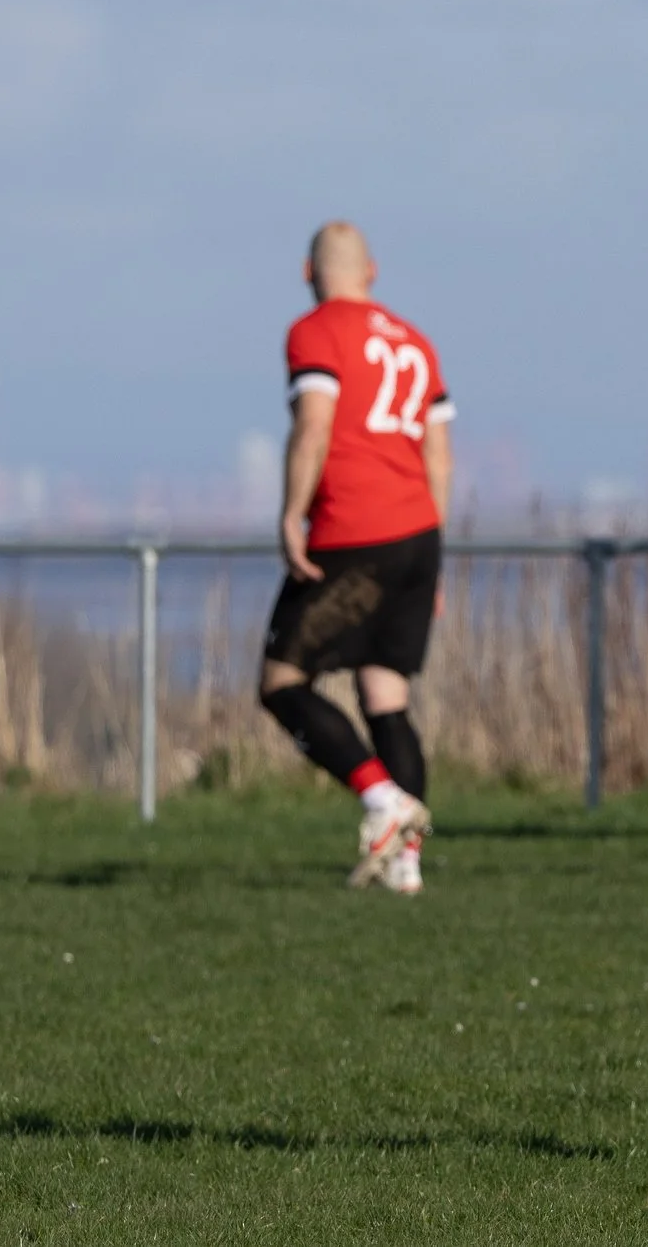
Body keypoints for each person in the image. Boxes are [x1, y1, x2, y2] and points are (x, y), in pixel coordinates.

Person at [259, 222, 453, 894]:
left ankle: (383, 799)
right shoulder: (415, 341)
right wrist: (435, 551)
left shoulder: (315, 331)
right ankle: (408, 864)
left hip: (352, 530)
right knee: (385, 693)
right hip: (418, 532)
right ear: (371, 270)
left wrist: (292, 511)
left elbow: (314, 422)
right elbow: (437, 450)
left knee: (281, 683)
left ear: (307, 273)